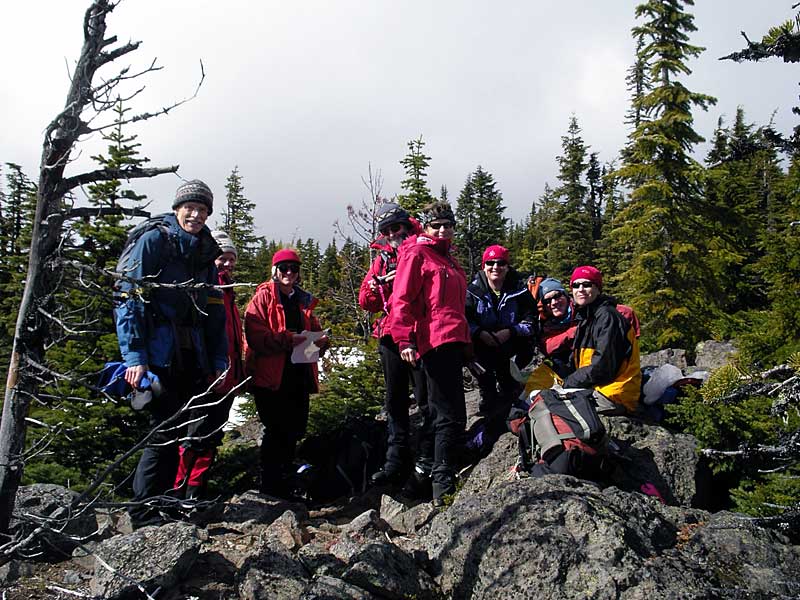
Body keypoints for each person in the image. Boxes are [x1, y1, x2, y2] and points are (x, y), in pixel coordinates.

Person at [114, 179, 228, 525]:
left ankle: (161, 503)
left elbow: (213, 312)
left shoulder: (204, 251)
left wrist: (219, 360)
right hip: (160, 352)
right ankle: (144, 510)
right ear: (178, 208)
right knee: (163, 430)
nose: (195, 214)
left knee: (177, 430)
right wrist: (135, 358)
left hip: (190, 353)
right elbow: (127, 297)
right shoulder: (154, 241)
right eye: (189, 207)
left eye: (202, 209)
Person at [389, 201, 470, 505]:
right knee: (448, 415)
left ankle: (429, 480)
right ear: (424, 227)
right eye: (436, 225)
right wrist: (404, 340)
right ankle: (442, 486)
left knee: (444, 413)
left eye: (447, 225)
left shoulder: (448, 258)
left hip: (453, 341)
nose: (443, 230)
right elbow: (402, 300)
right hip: (433, 341)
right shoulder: (417, 253)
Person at [358, 203, 433, 488]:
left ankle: (425, 461)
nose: (391, 234)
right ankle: (395, 460)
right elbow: (366, 299)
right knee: (395, 400)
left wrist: (404, 277)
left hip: (421, 334)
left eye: (395, 228)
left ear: (406, 225)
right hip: (391, 335)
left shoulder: (422, 247)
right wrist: (381, 285)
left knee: (426, 401)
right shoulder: (381, 259)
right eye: (386, 230)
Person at [244, 248, 329, 499]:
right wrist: (287, 339)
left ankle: (287, 483)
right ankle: (271, 486)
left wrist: (321, 342)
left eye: (294, 268)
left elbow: (314, 331)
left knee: (294, 430)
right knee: (276, 430)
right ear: (275, 271)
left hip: (298, 376)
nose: (289, 273)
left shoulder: (303, 301)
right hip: (271, 378)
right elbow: (256, 336)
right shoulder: (262, 299)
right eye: (284, 268)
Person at [173, 230, 245, 501]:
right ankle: (180, 492)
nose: (226, 264)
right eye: (221, 259)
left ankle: (197, 491)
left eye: (230, 259)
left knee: (212, 436)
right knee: (193, 436)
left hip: (226, 377)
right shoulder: (203, 287)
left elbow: (233, 337)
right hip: (206, 375)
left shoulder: (228, 290)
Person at [465, 245, 536, 429]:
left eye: (501, 263)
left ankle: (511, 387)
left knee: (511, 377)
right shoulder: (471, 292)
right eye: (490, 263)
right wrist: (480, 333)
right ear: (483, 266)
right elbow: (464, 321)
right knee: (480, 364)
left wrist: (511, 331)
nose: (495, 267)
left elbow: (532, 321)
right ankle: (487, 391)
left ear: (507, 266)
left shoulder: (520, 291)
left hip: (510, 345)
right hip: (482, 345)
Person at [562, 265, 641, 415]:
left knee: (554, 408)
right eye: (576, 285)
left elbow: (603, 367)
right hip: (598, 388)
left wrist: (568, 383)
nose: (581, 289)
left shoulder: (607, 317)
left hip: (613, 394)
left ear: (598, 289)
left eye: (587, 285)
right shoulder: (587, 318)